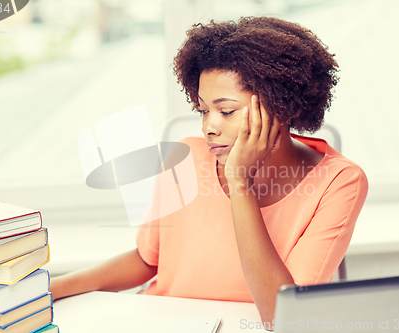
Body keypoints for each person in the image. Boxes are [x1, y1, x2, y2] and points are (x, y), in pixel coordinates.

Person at [50, 16, 368, 329]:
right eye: (203, 110)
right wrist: (55, 288)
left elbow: (283, 316)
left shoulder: (339, 182)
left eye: (226, 111)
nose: (208, 127)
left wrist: (240, 183)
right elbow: (148, 260)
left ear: (279, 107)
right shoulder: (185, 158)